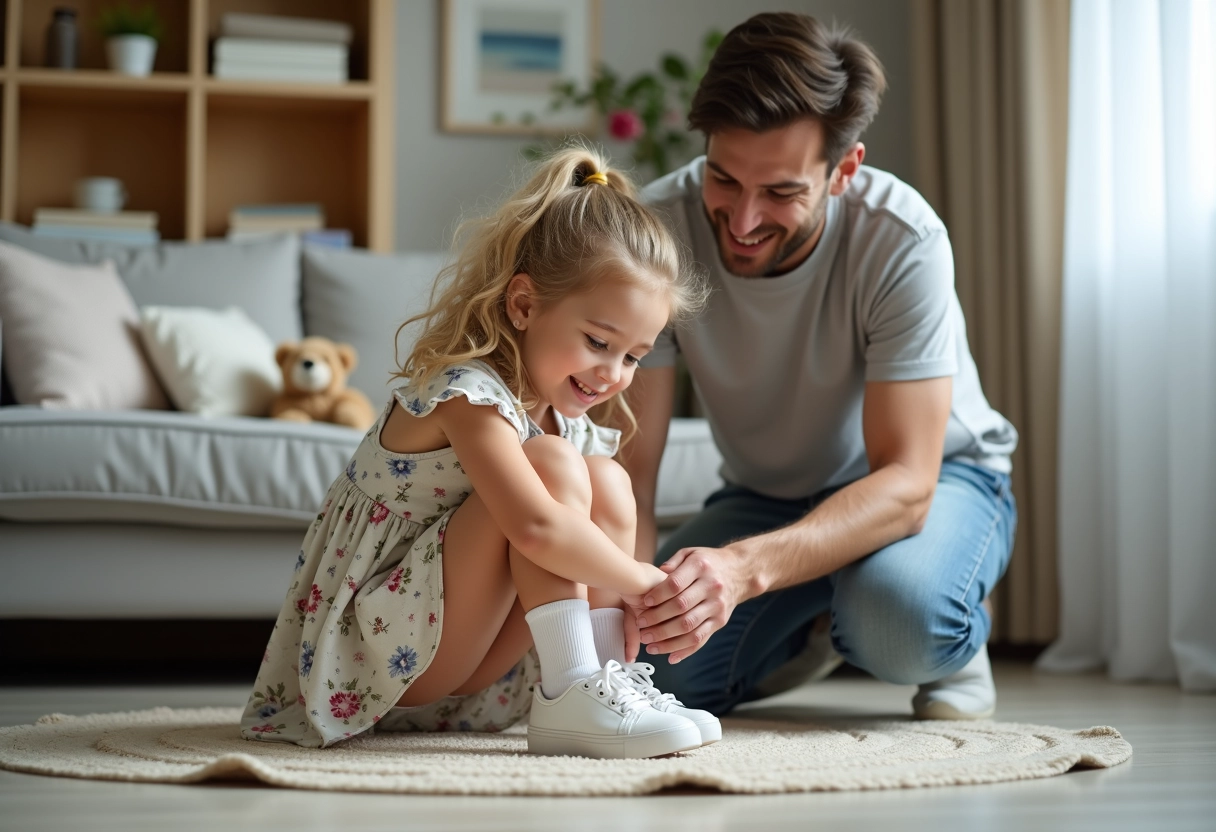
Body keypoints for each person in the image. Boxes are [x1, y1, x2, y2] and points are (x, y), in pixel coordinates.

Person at [240, 147, 719, 757]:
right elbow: (538, 528)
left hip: (474, 666)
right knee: (552, 465)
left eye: (633, 356)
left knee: (608, 479)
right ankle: (575, 689)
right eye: (598, 342)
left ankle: (603, 683)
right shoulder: (467, 394)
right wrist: (646, 582)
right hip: (379, 654)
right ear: (524, 305)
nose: (613, 374)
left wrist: (632, 594)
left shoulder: (565, 416)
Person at [621, 13, 1019, 720]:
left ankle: (943, 625)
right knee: (645, 665)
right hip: (767, 496)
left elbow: (906, 483)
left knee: (899, 622)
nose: (743, 221)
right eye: (723, 178)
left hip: (933, 482)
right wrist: (624, 603)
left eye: (780, 192)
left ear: (843, 171)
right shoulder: (660, 228)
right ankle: (810, 624)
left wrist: (744, 568)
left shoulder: (902, 238)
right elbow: (633, 475)